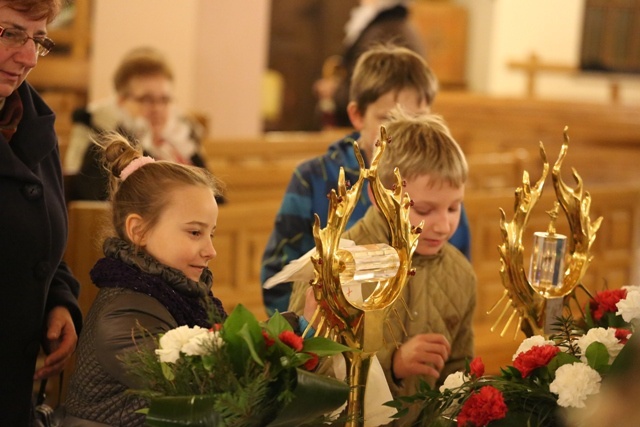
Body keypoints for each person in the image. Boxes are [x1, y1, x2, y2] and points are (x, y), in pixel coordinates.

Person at [63, 133, 315, 426]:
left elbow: (227, 347)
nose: (211, 251)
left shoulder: (177, 293)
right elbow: (215, 385)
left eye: (212, 233)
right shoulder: (124, 315)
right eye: (195, 232)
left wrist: (298, 324)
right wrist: (301, 335)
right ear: (138, 231)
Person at [288, 108, 476, 427]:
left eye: (454, 207)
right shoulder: (337, 262)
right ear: (378, 195)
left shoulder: (460, 273)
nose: (444, 225)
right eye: (424, 209)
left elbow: (459, 374)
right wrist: (393, 364)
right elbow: (303, 367)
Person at [261, 44, 471, 315]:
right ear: (357, 115)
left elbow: (455, 266)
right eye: (389, 119)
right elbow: (280, 275)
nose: (400, 131)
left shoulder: (440, 190)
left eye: (416, 119)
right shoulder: (313, 178)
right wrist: (305, 335)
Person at [0, 0, 83, 425]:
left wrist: (59, 299)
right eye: (10, 33)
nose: (29, 57)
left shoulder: (29, 121)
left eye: (38, 39)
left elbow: (39, 237)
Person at [64, 46, 214, 202]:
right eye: (146, 99)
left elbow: (217, 199)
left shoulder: (181, 143)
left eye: (164, 99)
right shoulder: (107, 149)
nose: (157, 108)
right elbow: (102, 211)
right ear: (121, 102)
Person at [314, 0, 424, 129]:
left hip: (381, 132)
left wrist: (335, 92)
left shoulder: (383, 34)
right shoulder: (397, 27)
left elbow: (372, 90)